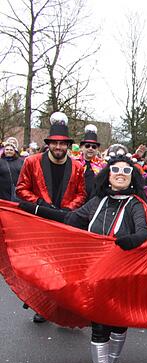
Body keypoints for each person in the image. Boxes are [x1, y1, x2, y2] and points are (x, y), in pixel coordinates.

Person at [18, 145, 147, 363]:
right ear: (108, 175)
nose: (121, 174)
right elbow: (70, 219)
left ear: (132, 177)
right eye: (115, 170)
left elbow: (144, 233)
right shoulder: (96, 202)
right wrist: (34, 211)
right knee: (100, 326)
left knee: (119, 325)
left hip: (123, 275)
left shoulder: (135, 204)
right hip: (95, 276)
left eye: (126, 170)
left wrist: (129, 241)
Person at [16, 112, 87, 323]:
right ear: (48, 144)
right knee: (42, 267)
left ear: (68, 145)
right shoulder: (32, 162)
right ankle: (42, 307)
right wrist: (39, 203)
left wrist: (67, 209)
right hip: (39, 221)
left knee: (63, 267)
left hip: (65, 222)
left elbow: (82, 194)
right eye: (54, 143)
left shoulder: (77, 167)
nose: (58, 147)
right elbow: (21, 189)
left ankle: (62, 305)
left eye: (62, 144)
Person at [78, 124, 106, 199]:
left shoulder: (103, 165)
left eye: (94, 147)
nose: (90, 148)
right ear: (81, 147)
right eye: (87, 146)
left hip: (94, 202)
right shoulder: (74, 162)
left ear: (97, 149)